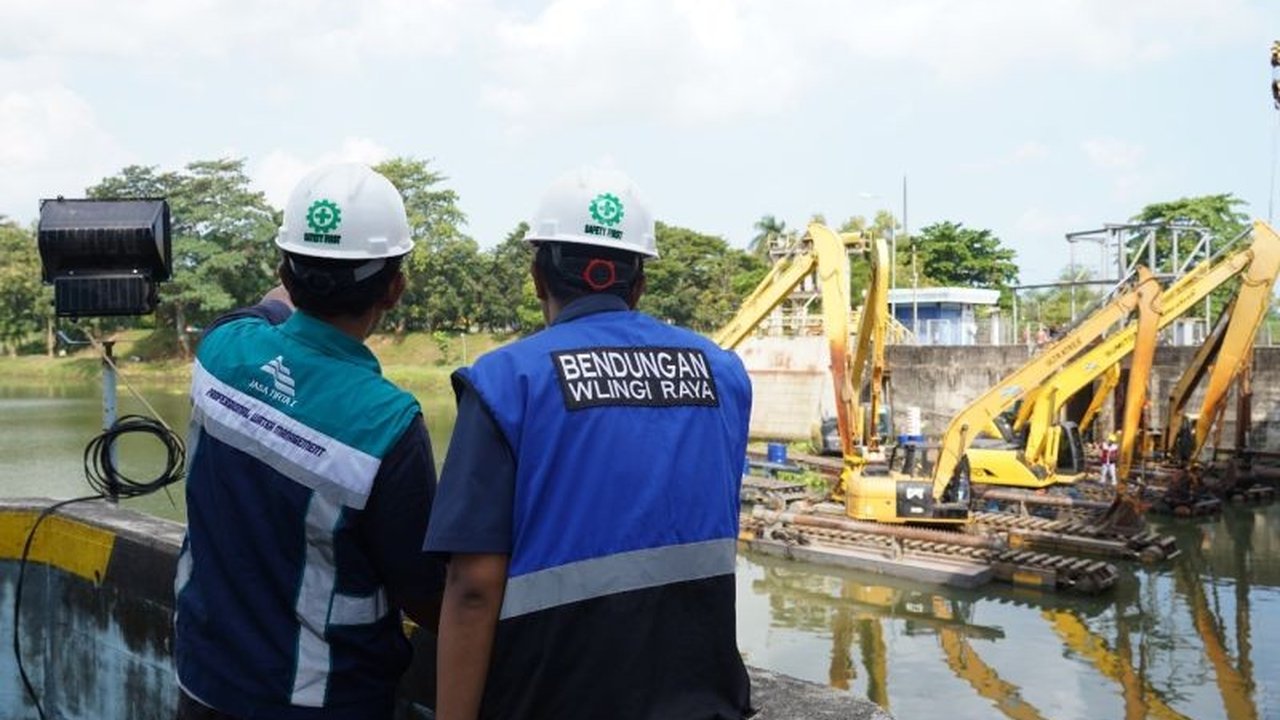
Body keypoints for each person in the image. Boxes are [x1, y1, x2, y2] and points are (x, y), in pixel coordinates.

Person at [425, 166, 754, 720]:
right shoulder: (724, 375)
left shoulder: (508, 381)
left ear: (537, 276)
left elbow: (474, 586)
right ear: (640, 282)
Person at [174, 163, 445, 720]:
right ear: (395, 287)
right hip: (321, 700)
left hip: (203, 679)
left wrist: (302, 276)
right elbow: (428, 594)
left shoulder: (221, 351)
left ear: (284, 271)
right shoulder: (386, 422)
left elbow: (265, 308)